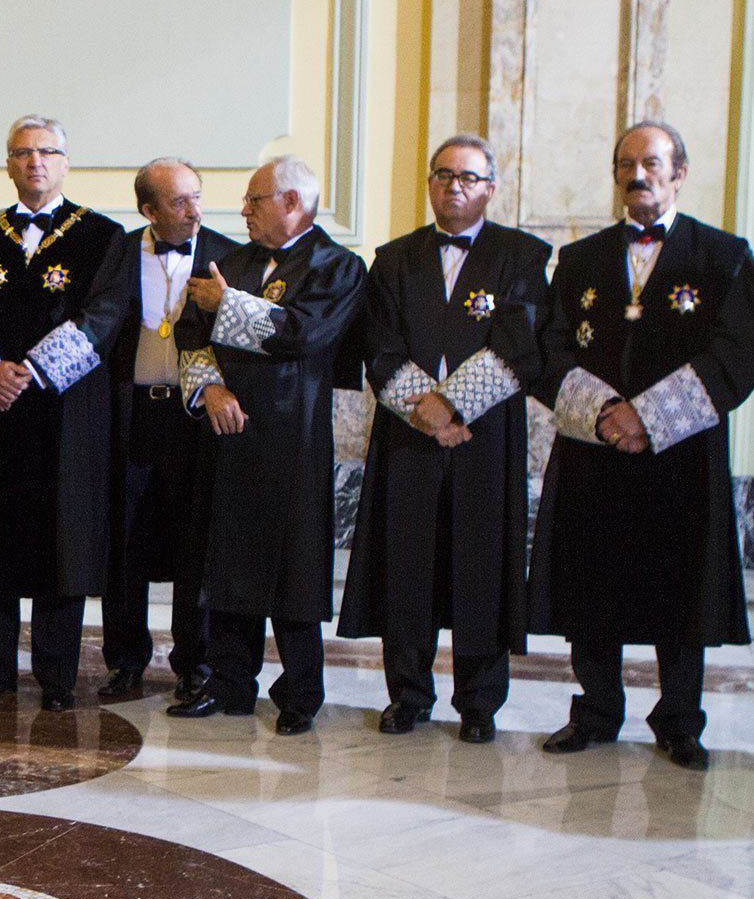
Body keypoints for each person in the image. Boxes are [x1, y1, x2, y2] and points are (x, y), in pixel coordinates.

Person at [529, 120, 754, 770]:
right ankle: (596, 712)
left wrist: (649, 419)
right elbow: (551, 346)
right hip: (595, 452)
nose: (640, 174)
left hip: (680, 455)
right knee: (591, 584)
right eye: (627, 163)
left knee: (679, 588)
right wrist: (603, 414)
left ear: (679, 171)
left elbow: (737, 352)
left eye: (653, 162)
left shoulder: (724, 256)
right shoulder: (579, 261)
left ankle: (680, 721)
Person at [338, 135, 550, 743]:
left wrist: (452, 405)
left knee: (481, 565)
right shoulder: (394, 257)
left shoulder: (522, 255)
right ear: (429, 183)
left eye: (468, 177)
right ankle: (407, 695)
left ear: (489, 187)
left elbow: (519, 340)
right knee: (407, 566)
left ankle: (479, 703)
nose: (454, 185)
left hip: (484, 436)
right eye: (442, 174)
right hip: (408, 437)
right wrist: (423, 410)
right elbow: (377, 343)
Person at [169, 155, 366, 735]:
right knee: (226, 557)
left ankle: (301, 693)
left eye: (255, 200)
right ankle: (230, 683)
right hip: (229, 433)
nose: (244, 210)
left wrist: (225, 304)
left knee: (294, 567)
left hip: (294, 438)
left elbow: (303, 334)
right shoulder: (229, 260)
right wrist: (208, 390)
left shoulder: (338, 266)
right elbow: (189, 335)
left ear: (293, 203)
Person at [0, 116, 124, 712]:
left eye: (47, 152)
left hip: (67, 413)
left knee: (61, 541)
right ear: (8, 163)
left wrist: (32, 372)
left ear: (65, 161)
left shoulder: (104, 237)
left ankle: (57, 676)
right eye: (23, 153)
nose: (35, 163)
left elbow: (104, 317)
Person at [88, 158, 236, 701]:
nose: (194, 210)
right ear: (148, 209)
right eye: (179, 201)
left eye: (197, 196)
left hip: (195, 416)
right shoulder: (121, 250)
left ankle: (193, 662)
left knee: (194, 539)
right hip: (132, 413)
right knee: (124, 540)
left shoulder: (226, 253)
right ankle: (125, 660)